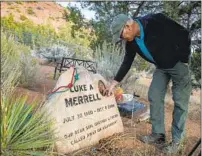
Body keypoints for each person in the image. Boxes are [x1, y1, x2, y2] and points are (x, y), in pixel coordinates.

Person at [105, 13, 192, 154]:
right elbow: (127, 62)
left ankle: (177, 141)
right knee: (154, 95)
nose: (122, 39)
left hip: (178, 65)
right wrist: (114, 83)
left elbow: (184, 33)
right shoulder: (131, 43)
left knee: (180, 102)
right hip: (161, 67)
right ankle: (158, 135)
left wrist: (183, 57)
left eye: (121, 36)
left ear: (128, 26)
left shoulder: (155, 20)